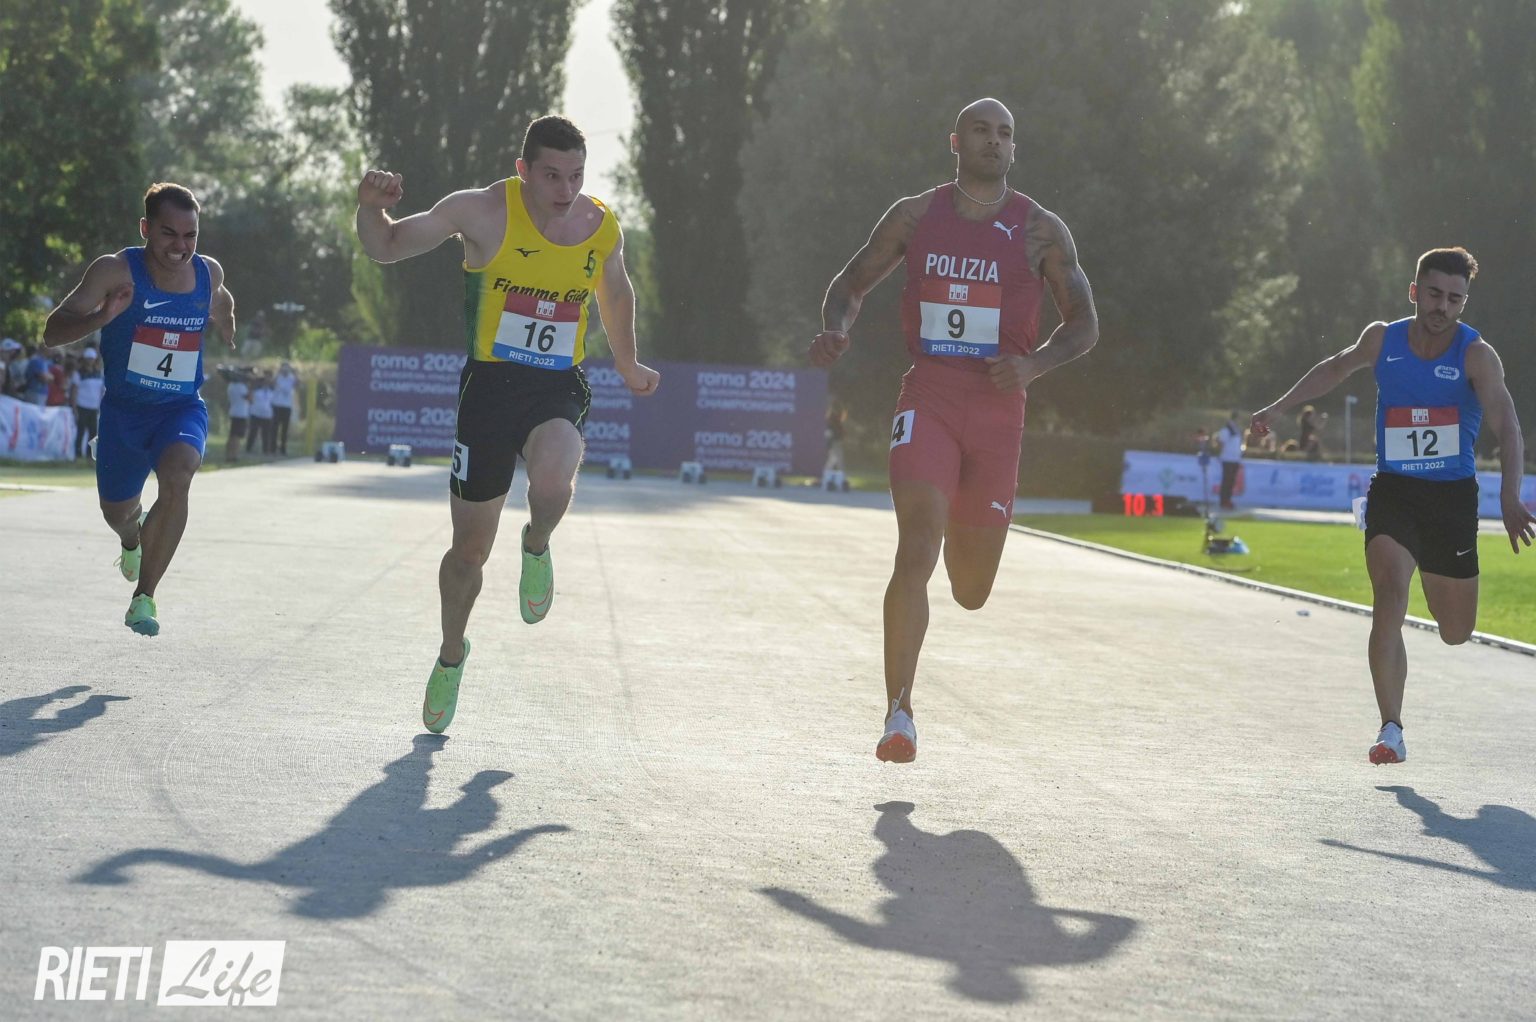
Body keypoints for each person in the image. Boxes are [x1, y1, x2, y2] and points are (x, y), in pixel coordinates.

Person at [809, 98, 1099, 763]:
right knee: (916, 547)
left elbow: (1084, 324)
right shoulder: (915, 216)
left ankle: (960, 525)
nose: (995, 141)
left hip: (999, 411)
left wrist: (1033, 366)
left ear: (1013, 148)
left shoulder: (1041, 230)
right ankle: (899, 712)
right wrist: (837, 329)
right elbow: (849, 285)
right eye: (981, 130)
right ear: (956, 142)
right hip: (930, 396)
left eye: (1005, 133)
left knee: (970, 589)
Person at [355, 114, 661, 735]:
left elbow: (616, 291)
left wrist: (628, 363)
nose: (566, 190)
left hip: (557, 386)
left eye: (576, 175)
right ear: (523, 170)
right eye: (551, 175)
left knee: (552, 481)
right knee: (468, 552)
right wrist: (369, 207)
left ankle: (537, 543)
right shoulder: (480, 211)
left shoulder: (601, 225)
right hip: (488, 392)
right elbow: (385, 246)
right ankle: (451, 654)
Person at [1252, 247, 1533, 764]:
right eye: (1434, 294)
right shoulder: (1383, 338)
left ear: (1463, 303)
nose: (1442, 307)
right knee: (1388, 595)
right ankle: (1391, 729)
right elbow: (1335, 368)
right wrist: (1277, 407)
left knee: (1455, 632)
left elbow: (1508, 427)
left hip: (1451, 500)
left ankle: (1433, 580)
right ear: (1414, 292)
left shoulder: (1476, 355)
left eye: (1454, 299)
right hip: (1395, 490)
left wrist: (1509, 494)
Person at [41, 182, 236, 635]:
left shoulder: (208, 272)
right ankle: (132, 539)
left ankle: (143, 598)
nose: (180, 247)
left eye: (190, 236)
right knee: (118, 514)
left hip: (181, 407)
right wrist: (101, 318)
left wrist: (227, 325)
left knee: (178, 477)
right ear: (146, 228)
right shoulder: (114, 271)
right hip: (124, 414)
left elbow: (223, 299)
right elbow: (52, 332)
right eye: (169, 234)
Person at [74, 348, 106, 459]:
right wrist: (74, 407)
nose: (90, 361)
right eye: (88, 359)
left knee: (93, 433)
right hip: (82, 406)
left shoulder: (99, 373)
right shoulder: (78, 373)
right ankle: (78, 456)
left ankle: (90, 456)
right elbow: (74, 391)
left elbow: (102, 390)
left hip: (94, 407)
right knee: (81, 432)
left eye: (91, 359)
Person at [1216, 410, 1244, 510]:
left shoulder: (1237, 430)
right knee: (1226, 481)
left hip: (1235, 459)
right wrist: (1220, 454)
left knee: (1231, 481)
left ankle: (1228, 500)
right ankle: (1223, 501)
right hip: (1227, 458)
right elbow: (1221, 443)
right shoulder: (1226, 430)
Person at [271, 361, 298, 455]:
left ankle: (283, 448)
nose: (285, 370)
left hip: (287, 406)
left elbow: (297, 384)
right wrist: (278, 372)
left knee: (285, 429)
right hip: (277, 405)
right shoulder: (278, 377)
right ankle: (273, 447)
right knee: (274, 428)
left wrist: (295, 372)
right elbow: (272, 383)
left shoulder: (291, 377)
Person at [247, 371, 275, 455]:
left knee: (266, 433)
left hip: (267, 414)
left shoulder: (272, 391)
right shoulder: (256, 390)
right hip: (256, 413)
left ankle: (265, 450)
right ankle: (248, 448)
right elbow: (250, 399)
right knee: (253, 432)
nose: (266, 382)